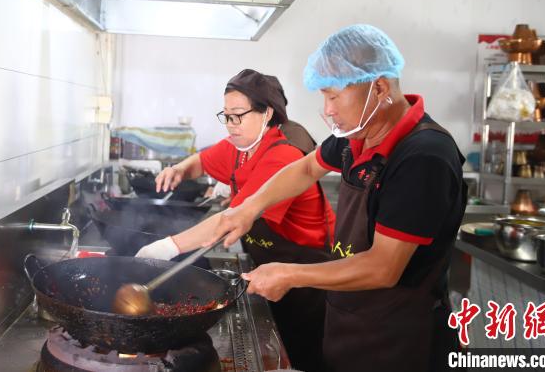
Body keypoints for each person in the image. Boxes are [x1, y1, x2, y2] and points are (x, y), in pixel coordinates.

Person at [205, 25, 467, 372]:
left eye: (333, 96)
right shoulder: (358, 133)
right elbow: (306, 168)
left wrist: (289, 274)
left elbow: (383, 267)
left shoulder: (424, 157)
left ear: (379, 88)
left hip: (402, 342)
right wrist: (249, 208)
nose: (327, 110)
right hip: (351, 324)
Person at [135, 69, 335, 372]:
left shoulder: (283, 153)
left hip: (305, 275)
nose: (230, 124)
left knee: (300, 352)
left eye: (238, 115)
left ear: (267, 113)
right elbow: (202, 161)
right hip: (269, 263)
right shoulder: (243, 145)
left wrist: (165, 247)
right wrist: (179, 170)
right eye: (226, 116)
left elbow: (229, 220)